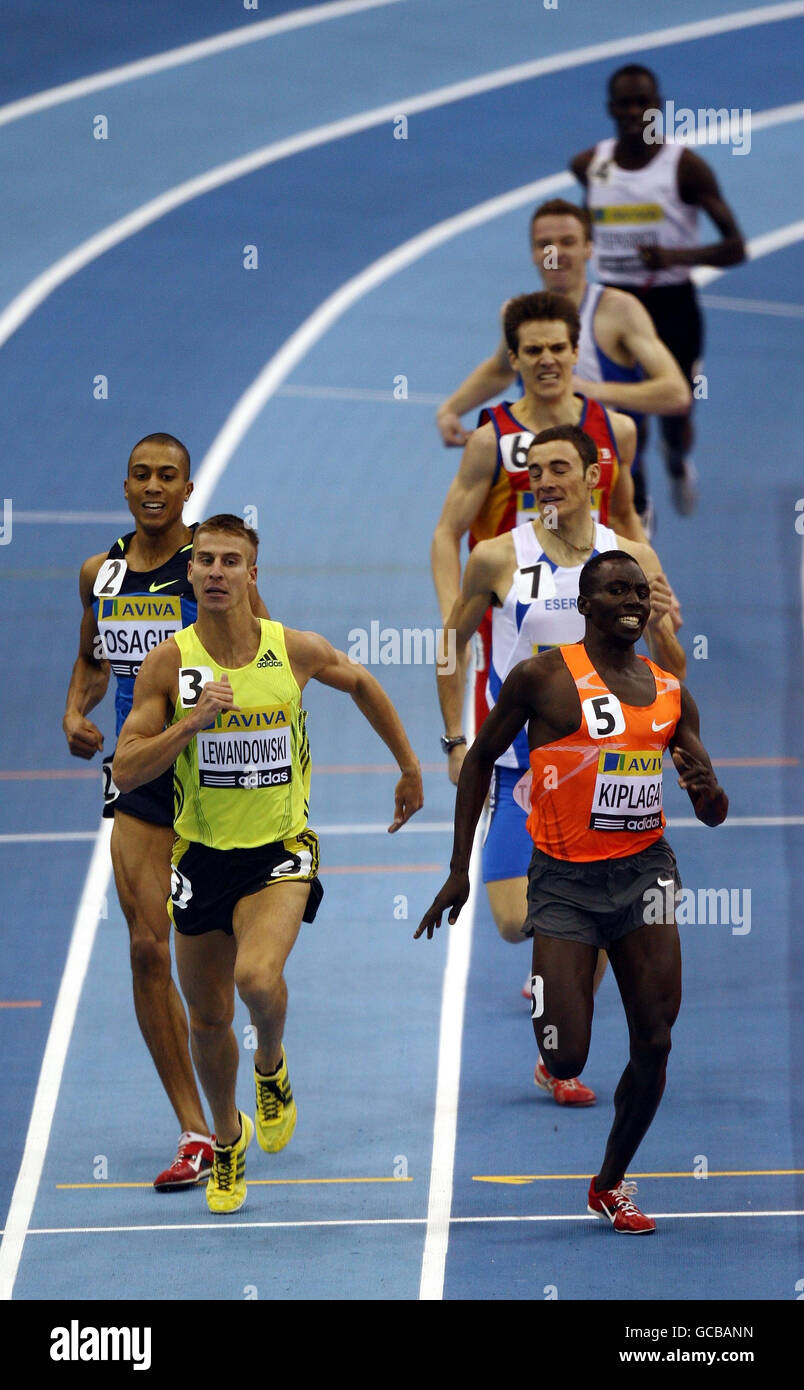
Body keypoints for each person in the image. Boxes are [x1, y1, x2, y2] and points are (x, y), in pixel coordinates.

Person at [112, 514, 423, 1213]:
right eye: (206, 562)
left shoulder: (293, 649)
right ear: (190, 576)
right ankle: (226, 1140)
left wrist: (409, 767)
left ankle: (272, 1064)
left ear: (253, 574)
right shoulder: (170, 662)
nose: (217, 572)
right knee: (209, 1017)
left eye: (231, 561)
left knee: (257, 980)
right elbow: (127, 770)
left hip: (280, 851)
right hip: (200, 858)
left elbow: (363, 683)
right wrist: (189, 726)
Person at [418, 550, 728, 1233]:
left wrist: (709, 794)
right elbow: (476, 764)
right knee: (566, 1053)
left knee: (656, 1039)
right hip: (564, 881)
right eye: (616, 590)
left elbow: (712, 808)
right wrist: (458, 868)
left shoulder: (671, 692)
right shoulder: (543, 679)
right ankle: (554, 1009)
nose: (632, 602)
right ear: (583, 606)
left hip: (644, 874)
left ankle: (611, 1182)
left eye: (640, 592)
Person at [438, 424, 685, 1104]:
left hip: (609, 771)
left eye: (556, 468)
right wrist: (455, 742)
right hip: (524, 769)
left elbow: (674, 673)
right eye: (534, 471)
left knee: (600, 903)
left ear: (592, 473)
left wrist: (662, 629)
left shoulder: (631, 556)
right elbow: (451, 645)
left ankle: (563, 1003)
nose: (543, 481)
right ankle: (561, 944)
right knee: (516, 922)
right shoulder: (494, 557)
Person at [63, 433, 268, 1192]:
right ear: (126, 489)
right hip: (142, 774)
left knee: (226, 960)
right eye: (142, 475)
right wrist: (73, 711)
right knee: (147, 947)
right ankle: (198, 1130)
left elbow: (265, 653)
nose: (154, 486)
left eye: (168, 476)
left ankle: (264, 1057)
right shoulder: (102, 572)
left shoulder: (210, 568)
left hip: (219, 779)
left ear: (188, 490)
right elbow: (92, 656)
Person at [432, 290, 656, 740]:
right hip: (515, 613)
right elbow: (446, 533)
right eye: (533, 350)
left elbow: (626, 515)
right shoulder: (490, 438)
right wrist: (452, 612)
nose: (547, 360)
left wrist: (657, 585)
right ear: (514, 360)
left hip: (595, 606)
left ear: (576, 352)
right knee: (506, 750)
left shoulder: (617, 430)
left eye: (557, 348)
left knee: (601, 742)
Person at [434, 198, 691, 529]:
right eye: (545, 244)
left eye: (568, 242)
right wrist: (451, 409)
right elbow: (500, 369)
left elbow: (676, 393)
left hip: (609, 484)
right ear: (533, 254)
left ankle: (677, 461)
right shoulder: (519, 315)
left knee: (611, 577)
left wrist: (588, 390)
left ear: (588, 248)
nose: (557, 252)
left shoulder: (619, 311)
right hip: (539, 484)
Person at [570, 64, 746, 515]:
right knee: (625, 419)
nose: (633, 111)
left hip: (672, 306)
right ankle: (639, 506)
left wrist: (675, 258)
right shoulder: (589, 166)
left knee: (675, 411)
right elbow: (589, 218)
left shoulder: (685, 168)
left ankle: (678, 458)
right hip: (612, 304)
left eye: (642, 102)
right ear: (610, 108)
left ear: (659, 107)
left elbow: (736, 248)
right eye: (624, 103)